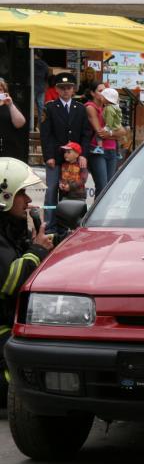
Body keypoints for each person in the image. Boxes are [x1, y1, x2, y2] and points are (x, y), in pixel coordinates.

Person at [0, 157, 54, 407]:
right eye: (22, 193)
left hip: (8, 321)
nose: (29, 201)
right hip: (2, 329)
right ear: (5, 195)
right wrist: (36, 251)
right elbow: (10, 282)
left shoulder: (9, 227)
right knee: (18, 383)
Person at [40, 73, 89, 233]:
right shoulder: (50, 107)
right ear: (57, 89)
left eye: (69, 88)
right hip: (56, 156)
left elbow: (85, 134)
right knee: (52, 190)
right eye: (62, 88)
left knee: (70, 192)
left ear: (73, 89)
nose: (66, 91)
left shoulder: (80, 108)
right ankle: (49, 226)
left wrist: (83, 154)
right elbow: (45, 135)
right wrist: (49, 156)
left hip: (74, 159)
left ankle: (66, 226)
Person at [84, 82, 124, 198]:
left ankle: (103, 214)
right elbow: (100, 132)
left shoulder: (109, 107)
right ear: (92, 93)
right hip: (98, 151)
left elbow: (123, 132)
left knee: (109, 187)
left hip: (112, 150)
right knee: (102, 186)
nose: (104, 94)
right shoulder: (91, 107)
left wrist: (111, 133)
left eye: (106, 91)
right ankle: (96, 215)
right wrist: (115, 134)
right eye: (100, 91)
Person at [0, 78, 28, 162]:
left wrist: (11, 105)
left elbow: (20, 123)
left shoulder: (11, 105)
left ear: (4, 92)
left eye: (0, 89)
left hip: (8, 151)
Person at [33, 51, 49, 125]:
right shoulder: (45, 65)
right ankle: (42, 125)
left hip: (32, 87)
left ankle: (30, 126)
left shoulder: (30, 63)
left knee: (30, 107)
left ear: (34, 54)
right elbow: (46, 77)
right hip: (41, 87)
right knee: (41, 107)